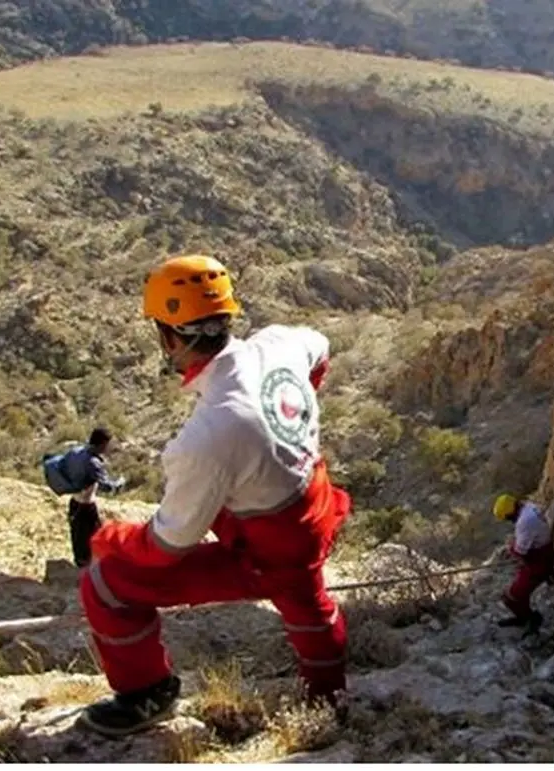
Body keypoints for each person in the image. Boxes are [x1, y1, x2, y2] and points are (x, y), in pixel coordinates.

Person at [76, 254, 352, 737]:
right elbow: (320, 347)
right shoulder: (281, 343)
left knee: (107, 582)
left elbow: (167, 545)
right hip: (315, 508)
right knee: (309, 604)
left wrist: (111, 539)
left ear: (170, 337)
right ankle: (329, 699)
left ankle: (148, 693)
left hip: (269, 552)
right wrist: (289, 417)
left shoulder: (207, 437)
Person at [42, 427, 126, 568]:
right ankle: (89, 572)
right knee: (94, 540)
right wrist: (119, 483)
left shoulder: (77, 451)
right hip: (86, 507)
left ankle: (82, 568)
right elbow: (106, 486)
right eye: (108, 444)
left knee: (79, 539)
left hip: (74, 503)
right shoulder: (93, 463)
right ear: (102, 444)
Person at [493, 493, 554, 631]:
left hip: (538, 562)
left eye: (508, 518)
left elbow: (520, 552)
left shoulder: (524, 522)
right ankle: (524, 617)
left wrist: (512, 548)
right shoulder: (530, 507)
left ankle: (530, 619)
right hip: (542, 554)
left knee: (510, 597)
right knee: (517, 593)